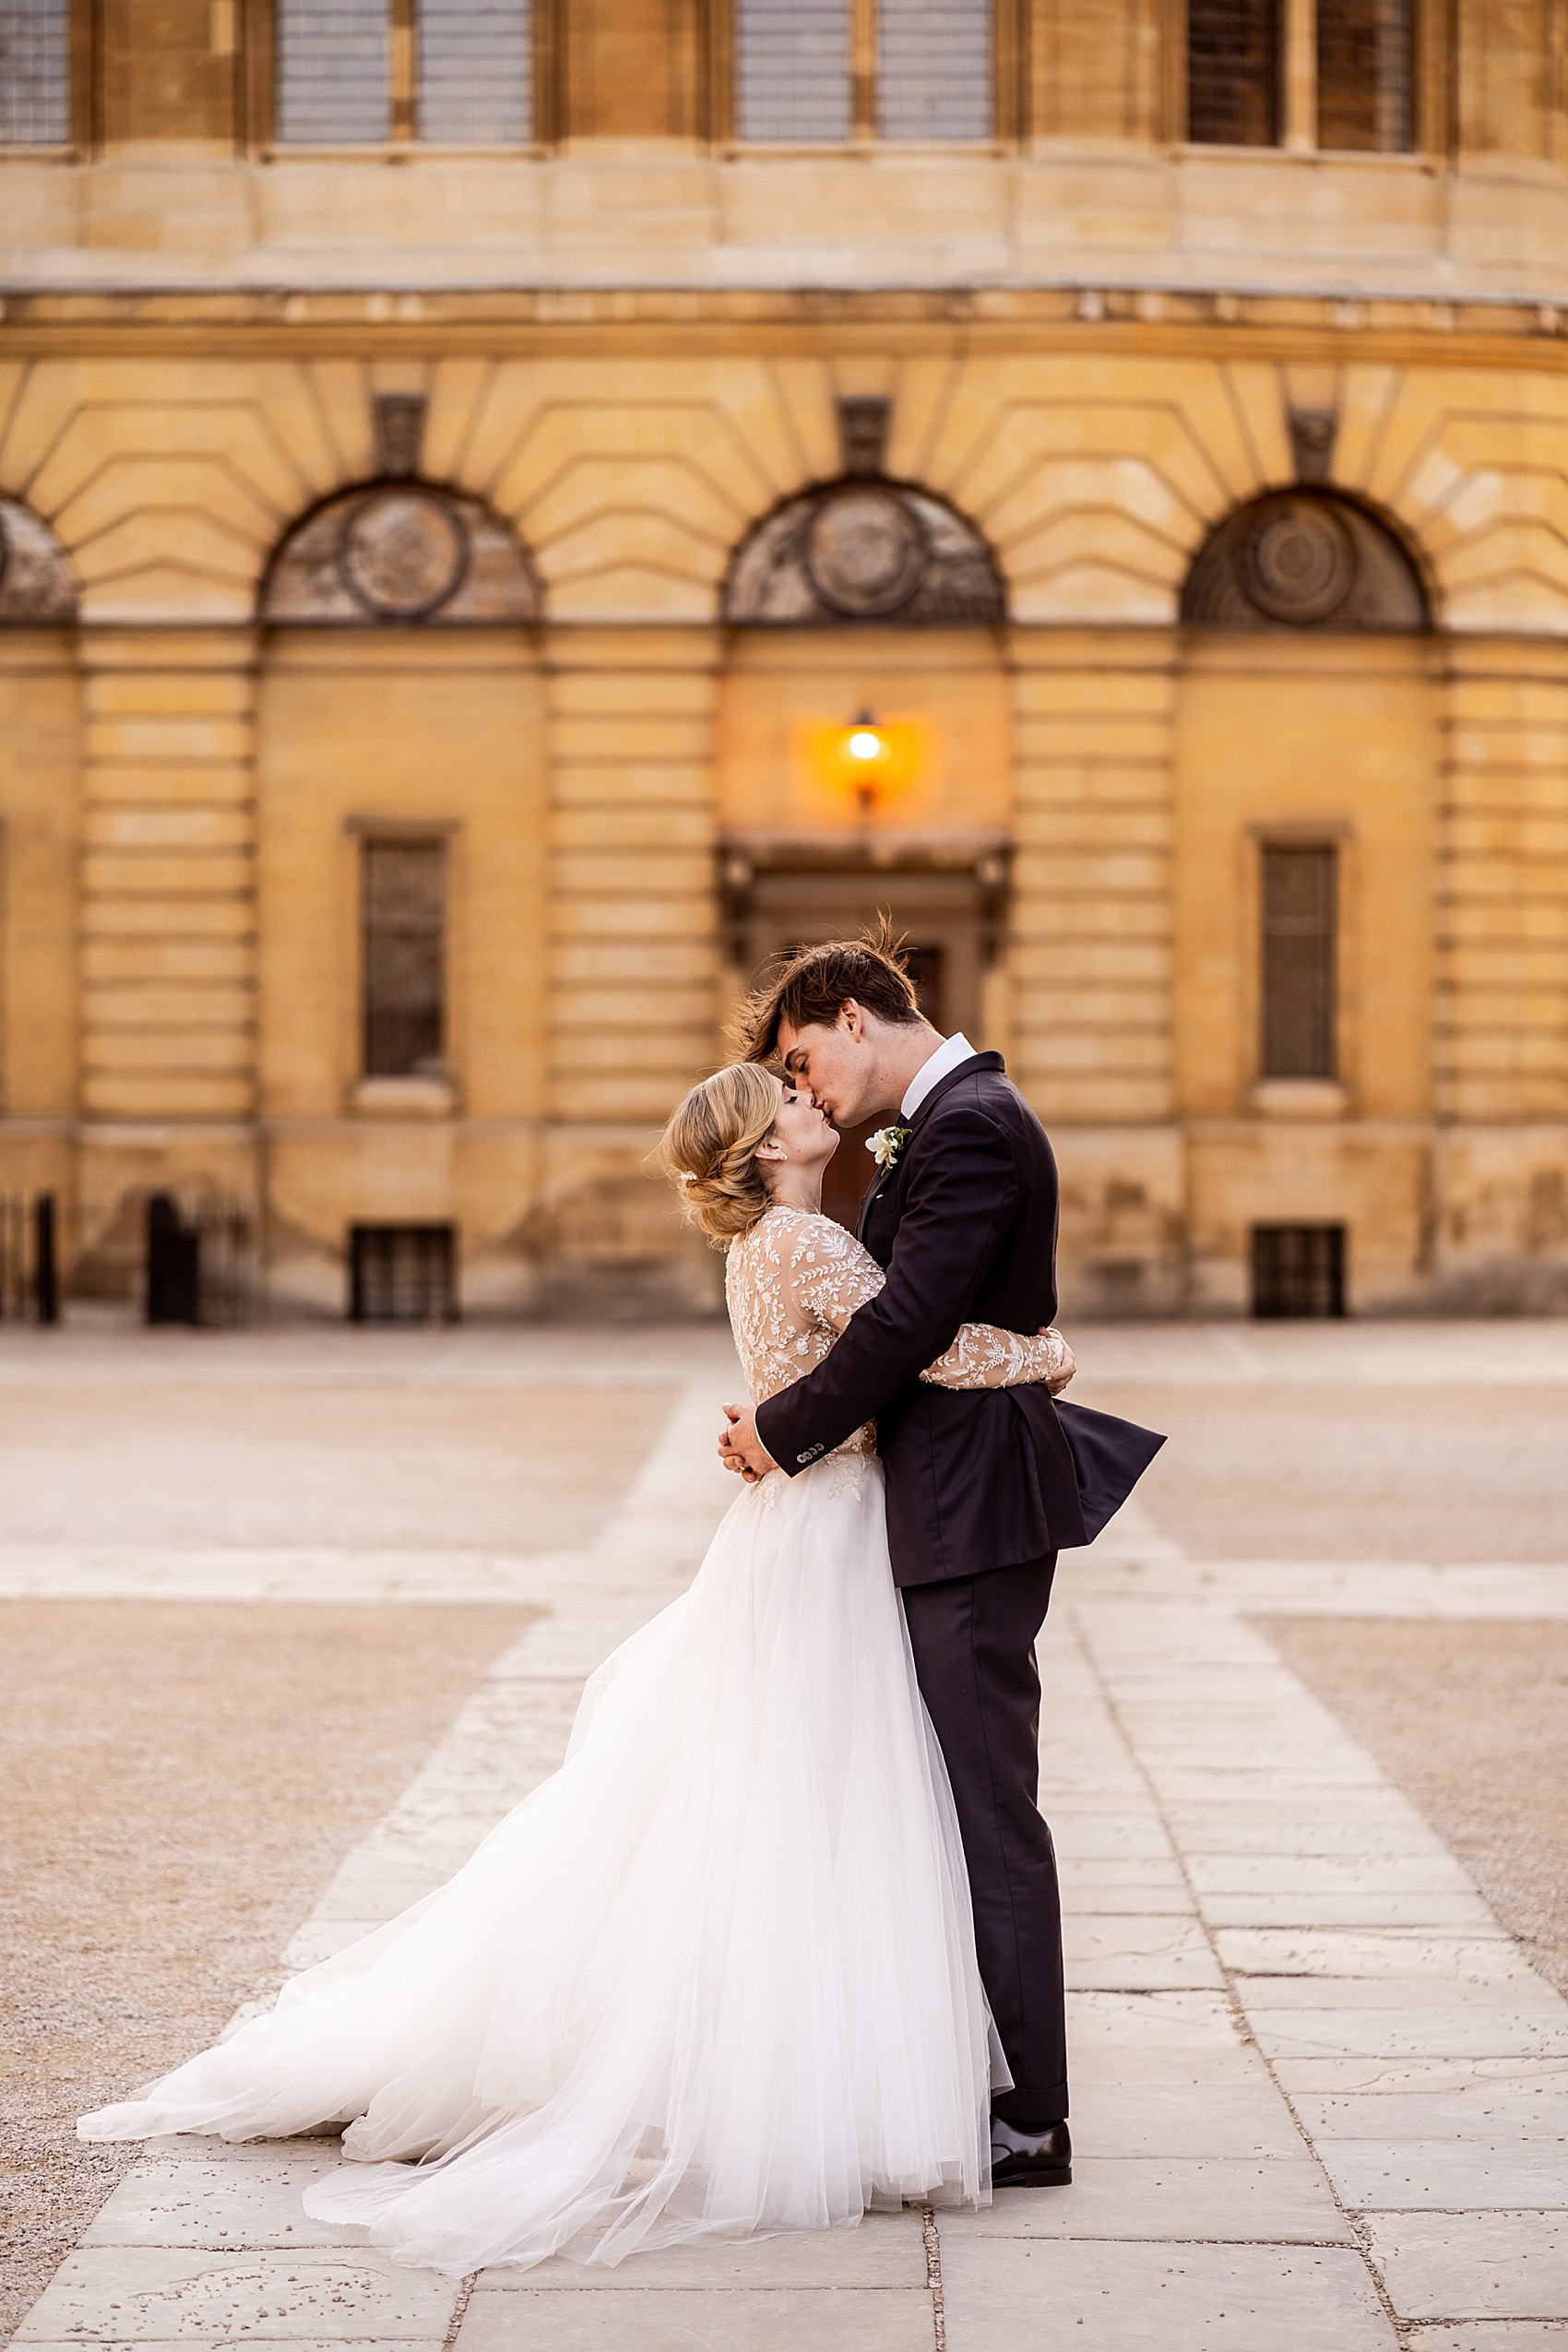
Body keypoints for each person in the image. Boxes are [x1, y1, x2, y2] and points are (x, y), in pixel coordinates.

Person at [79, 1061, 1076, 2276]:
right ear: (768, 1149)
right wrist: (1043, 1353)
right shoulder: (805, 1243)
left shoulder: (770, 1241)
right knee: (830, 1801)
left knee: (773, 1803)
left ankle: (802, 2066)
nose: (813, 1100)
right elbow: (922, 1349)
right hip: (830, 1532)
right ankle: (826, 2078)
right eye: (789, 1102)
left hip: (793, 1527)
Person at [719, 923, 1164, 2189]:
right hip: (948, 1492)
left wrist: (779, 1429)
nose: (807, 1093)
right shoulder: (945, 1120)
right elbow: (933, 1316)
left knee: (985, 1801)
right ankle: (965, 2069)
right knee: (947, 1795)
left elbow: (912, 1320)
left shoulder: (969, 1120)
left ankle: (1031, 2111)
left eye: (806, 1061)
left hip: (973, 1502)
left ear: (854, 1016)